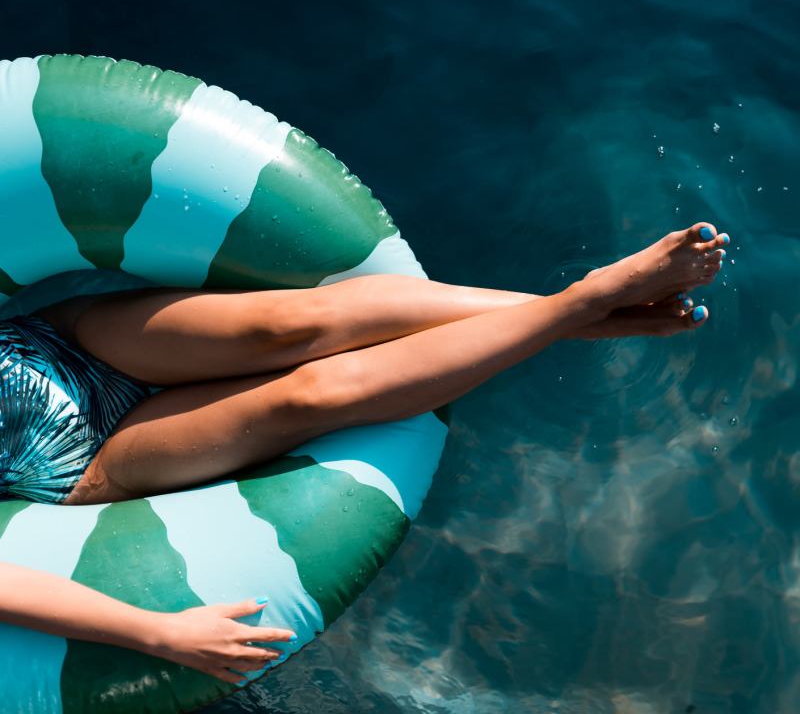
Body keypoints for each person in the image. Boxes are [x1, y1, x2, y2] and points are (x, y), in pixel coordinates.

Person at [0, 221, 729, 683]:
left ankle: (572, 320)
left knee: (288, 326)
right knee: (306, 398)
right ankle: (585, 304)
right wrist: (158, 631)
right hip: (85, 465)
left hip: (58, 345)